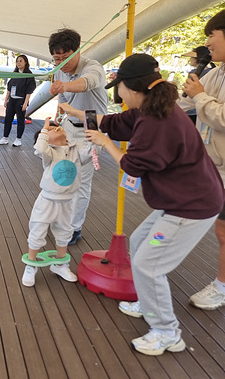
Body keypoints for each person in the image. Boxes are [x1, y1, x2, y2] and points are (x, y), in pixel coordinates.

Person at [69, 53, 223, 356]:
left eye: (119, 86)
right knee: (140, 241)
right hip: (178, 201)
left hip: (191, 207)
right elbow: (113, 122)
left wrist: (106, 144)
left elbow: (133, 166)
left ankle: (166, 332)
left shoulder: (157, 122)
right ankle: (148, 302)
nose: (118, 92)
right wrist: (74, 112)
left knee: (148, 265)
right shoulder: (149, 107)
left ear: (131, 86)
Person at [178, 9, 225, 310]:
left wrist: (200, 96)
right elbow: (184, 103)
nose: (206, 43)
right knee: (220, 231)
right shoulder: (216, 72)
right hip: (210, 166)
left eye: (212, 35)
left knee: (220, 231)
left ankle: (221, 287)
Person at [49, 29, 107, 245]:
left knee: (81, 181)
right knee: (63, 176)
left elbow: (87, 83)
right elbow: (63, 100)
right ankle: (62, 220)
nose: (61, 63)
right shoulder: (59, 71)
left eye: (65, 57)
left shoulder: (93, 67)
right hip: (69, 127)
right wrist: (58, 123)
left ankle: (74, 228)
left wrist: (64, 85)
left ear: (78, 51)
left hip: (91, 127)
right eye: (57, 59)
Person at [21, 117, 92, 287]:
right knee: (38, 230)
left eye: (56, 127)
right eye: (51, 130)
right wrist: (44, 128)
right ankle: (31, 265)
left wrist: (93, 134)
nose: (56, 128)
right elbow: (40, 148)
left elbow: (91, 152)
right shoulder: (49, 153)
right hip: (47, 200)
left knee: (65, 232)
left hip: (68, 201)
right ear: (47, 140)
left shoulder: (76, 149)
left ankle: (60, 264)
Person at [0, 54, 37, 147]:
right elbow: (9, 88)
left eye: (21, 61)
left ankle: (18, 139)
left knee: (20, 120)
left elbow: (29, 90)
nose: (18, 63)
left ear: (25, 62)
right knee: (8, 119)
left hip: (21, 100)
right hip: (12, 100)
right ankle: (5, 138)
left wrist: (25, 103)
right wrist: (6, 100)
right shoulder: (15, 73)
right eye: (17, 61)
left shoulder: (29, 75)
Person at [180, 45, 216, 125]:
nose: (190, 59)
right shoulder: (212, 71)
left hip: (193, 110)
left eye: (192, 57)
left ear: (198, 58)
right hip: (201, 110)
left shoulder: (195, 73)